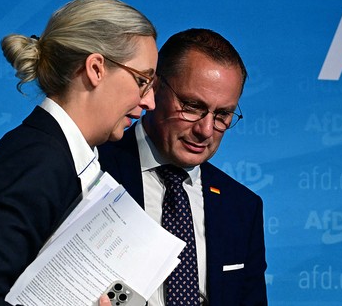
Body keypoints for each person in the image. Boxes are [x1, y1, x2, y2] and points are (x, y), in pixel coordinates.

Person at [0, 0, 158, 305]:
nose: (149, 102)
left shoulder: (61, 157)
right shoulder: (37, 162)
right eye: (143, 80)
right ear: (95, 69)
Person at [98, 28, 267, 306]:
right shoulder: (91, 169)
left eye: (223, 115)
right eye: (191, 106)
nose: (206, 130)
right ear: (153, 88)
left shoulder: (242, 208)